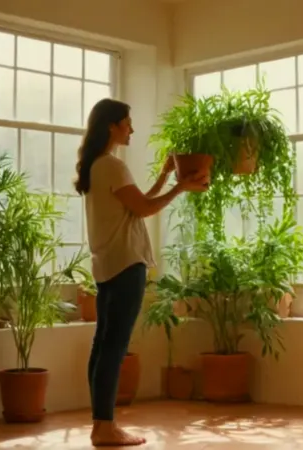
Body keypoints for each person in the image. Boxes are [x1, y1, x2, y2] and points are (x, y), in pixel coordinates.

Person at [74, 98, 204, 446]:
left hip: (107, 266)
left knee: (103, 345)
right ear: (112, 126)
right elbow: (145, 209)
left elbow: (135, 206)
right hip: (126, 265)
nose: (131, 128)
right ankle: (104, 427)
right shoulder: (112, 166)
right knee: (114, 347)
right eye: (127, 122)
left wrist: (164, 176)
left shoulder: (96, 166)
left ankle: (100, 424)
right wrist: (181, 187)